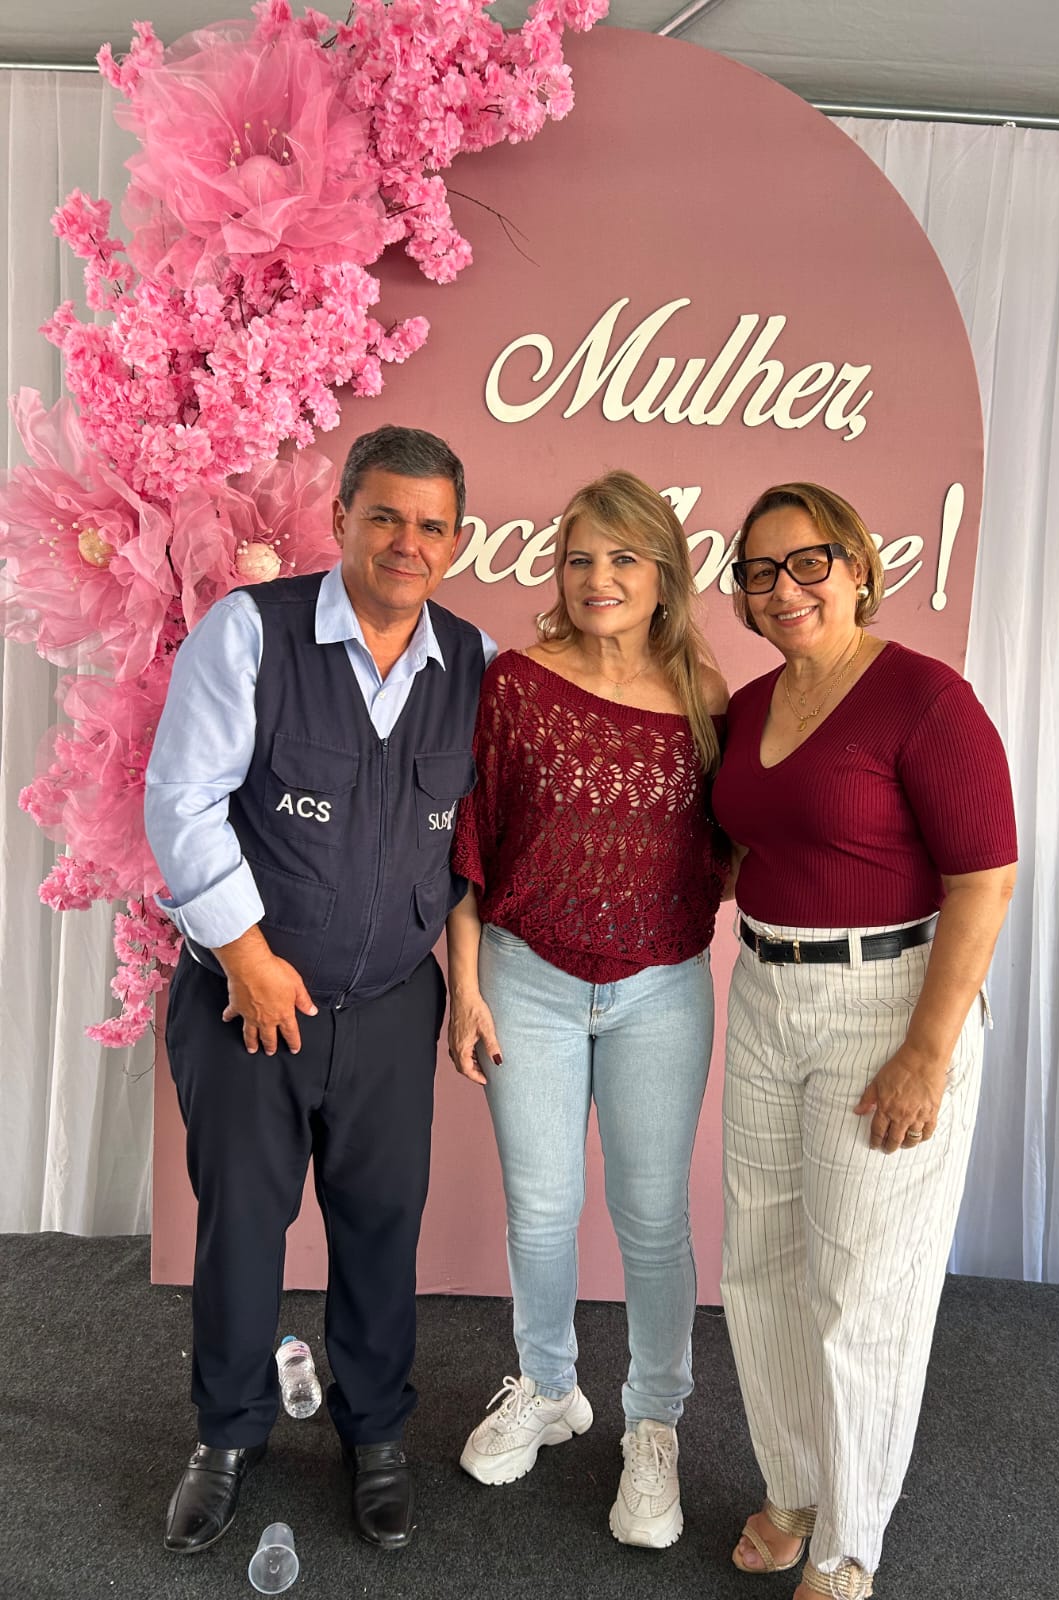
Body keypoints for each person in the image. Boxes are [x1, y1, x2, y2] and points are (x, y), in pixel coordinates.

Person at [144, 425, 494, 1555]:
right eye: (384, 515)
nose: (406, 542)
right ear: (341, 517)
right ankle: (227, 1437)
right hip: (247, 1002)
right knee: (243, 1229)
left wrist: (469, 986)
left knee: (383, 1230)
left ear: (457, 541)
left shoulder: (473, 665)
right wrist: (247, 958)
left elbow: (472, 849)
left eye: (431, 525)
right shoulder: (250, 631)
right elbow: (182, 800)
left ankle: (376, 1433)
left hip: (391, 1005)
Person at [711, 482, 1017, 1600]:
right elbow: (746, 849)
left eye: (809, 562)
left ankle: (848, 1542)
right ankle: (795, 1486)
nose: (784, 588)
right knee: (761, 1263)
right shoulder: (752, 704)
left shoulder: (926, 700)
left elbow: (984, 879)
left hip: (888, 1002)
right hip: (765, 991)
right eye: (760, 572)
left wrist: (928, 1054)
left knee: (860, 1288)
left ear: (858, 566)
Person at [445, 469, 728, 1549]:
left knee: (653, 1219)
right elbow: (468, 843)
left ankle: (652, 1424)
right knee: (541, 1207)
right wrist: (466, 984)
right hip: (526, 977)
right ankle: (550, 1388)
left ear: (663, 573)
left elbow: (732, 851)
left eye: (622, 557)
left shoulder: (705, 697)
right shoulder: (514, 686)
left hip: (661, 989)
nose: (598, 577)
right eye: (579, 558)